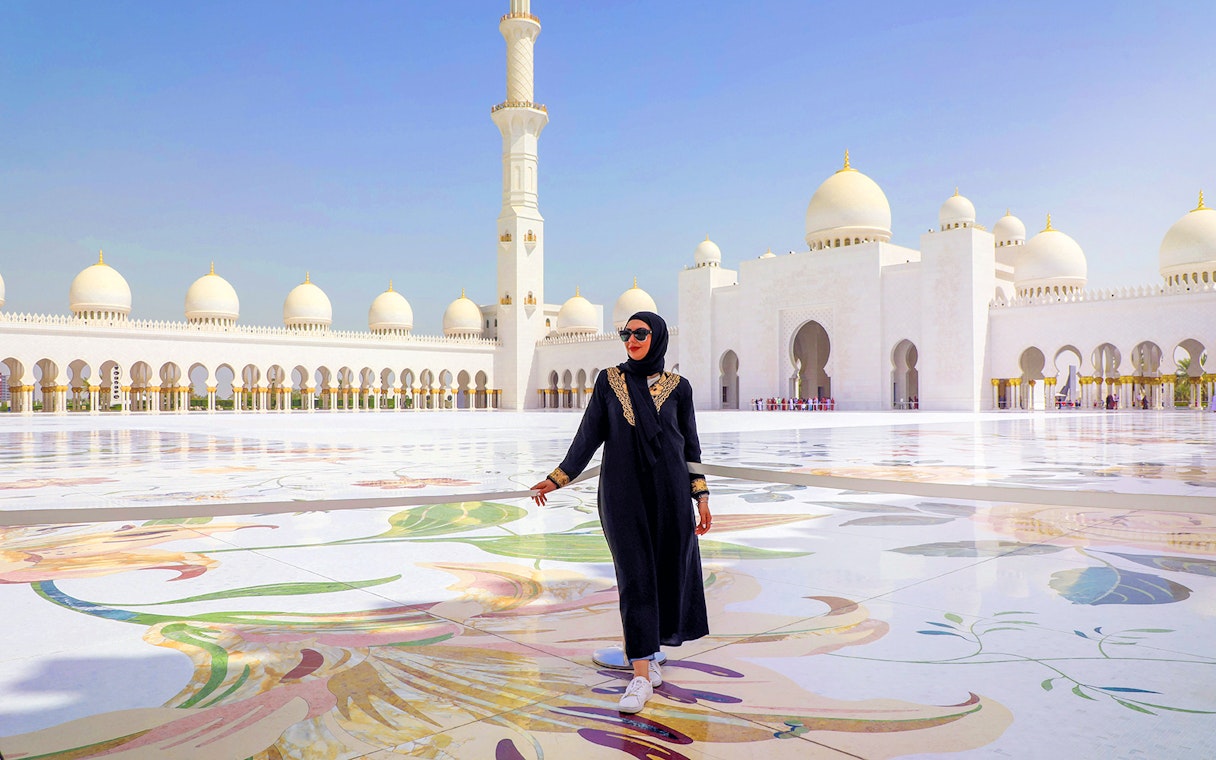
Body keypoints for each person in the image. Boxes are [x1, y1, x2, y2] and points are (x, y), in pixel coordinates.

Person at [531, 311, 711, 715]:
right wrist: (558, 477)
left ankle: (647, 653)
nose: (631, 339)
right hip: (623, 495)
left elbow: (691, 449)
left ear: (657, 337)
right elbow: (588, 435)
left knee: (666, 574)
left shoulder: (679, 389)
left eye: (640, 333)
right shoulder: (610, 381)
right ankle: (642, 675)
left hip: (669, 496)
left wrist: (700, 496)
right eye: (626, 333)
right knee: (636, 579)